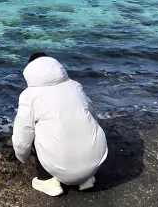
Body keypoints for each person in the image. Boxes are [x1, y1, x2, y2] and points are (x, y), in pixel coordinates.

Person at [11, 52, 108, 196]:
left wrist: (22, 158)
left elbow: (22, 135)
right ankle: (85, 179)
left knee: (34, 130)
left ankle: (47, 180)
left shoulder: (29, 95)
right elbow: (92, 114)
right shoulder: (75, 86)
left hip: (62, 165)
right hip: (95, 163)